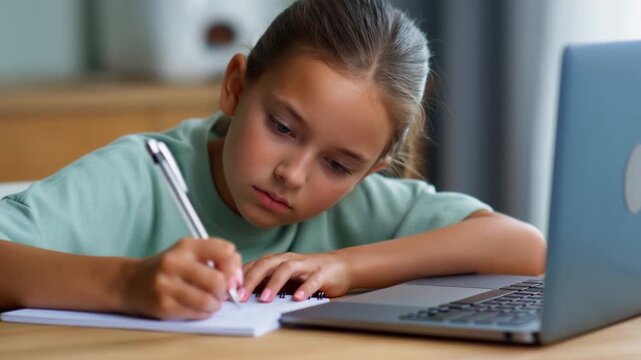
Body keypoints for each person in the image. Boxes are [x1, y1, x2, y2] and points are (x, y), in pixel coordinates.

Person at [0, 0, 545, 320]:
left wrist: (347, 267)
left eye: (338, 165)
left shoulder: (361, 208)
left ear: (371, 170)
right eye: (282, 128)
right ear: (236, 87)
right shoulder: (140, 176)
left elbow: (526, 248)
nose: (294, 174)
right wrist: (125, 286)